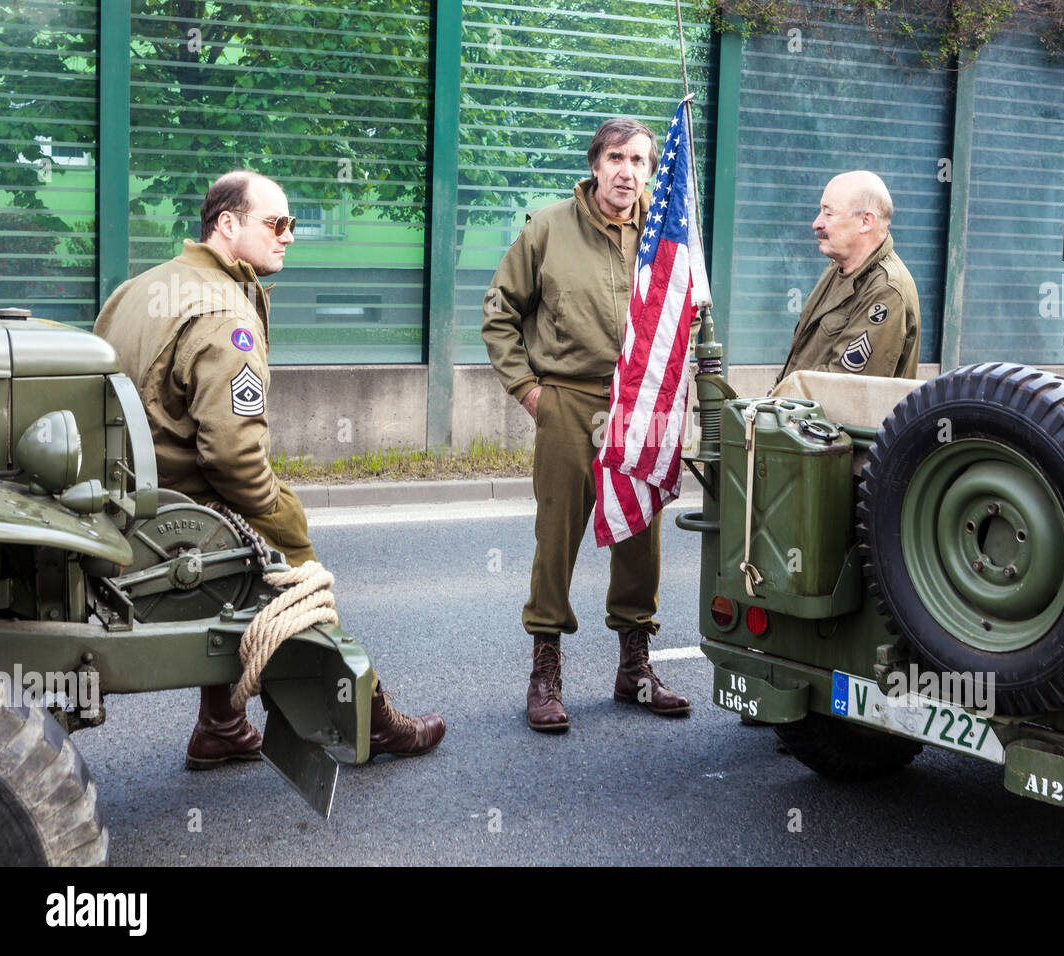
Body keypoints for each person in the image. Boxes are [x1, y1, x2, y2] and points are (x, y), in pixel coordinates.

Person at [94, 170, 445, 767]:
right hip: (176, 511)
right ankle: (372, 720)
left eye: (292, 225)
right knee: (296, 563)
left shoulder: (137, 289)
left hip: (121, 499)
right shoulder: (225, 312)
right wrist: (279, 508)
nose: (289, 236)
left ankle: (222, 725)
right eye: (276, 223)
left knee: (242, 551)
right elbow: (232, 457)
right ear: (226, 225)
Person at [482, 117, 691, 733]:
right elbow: (499, 314)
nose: (629, 172)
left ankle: (635, 667)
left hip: (641, 403)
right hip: (568, 401)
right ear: (596, 165)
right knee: (558, 535)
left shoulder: (667, 234)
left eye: (641, 161)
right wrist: (528, 390)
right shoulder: (547, 228)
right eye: (618, 159)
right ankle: (545, 671)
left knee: (640, 534)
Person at [775, 170, 920, 384]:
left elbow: (845, 387)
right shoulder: (838, 267)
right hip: (801, 413)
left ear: (865, 222)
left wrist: (779, 399)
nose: (816, 223)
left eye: (828, 213)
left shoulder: (886, 291)